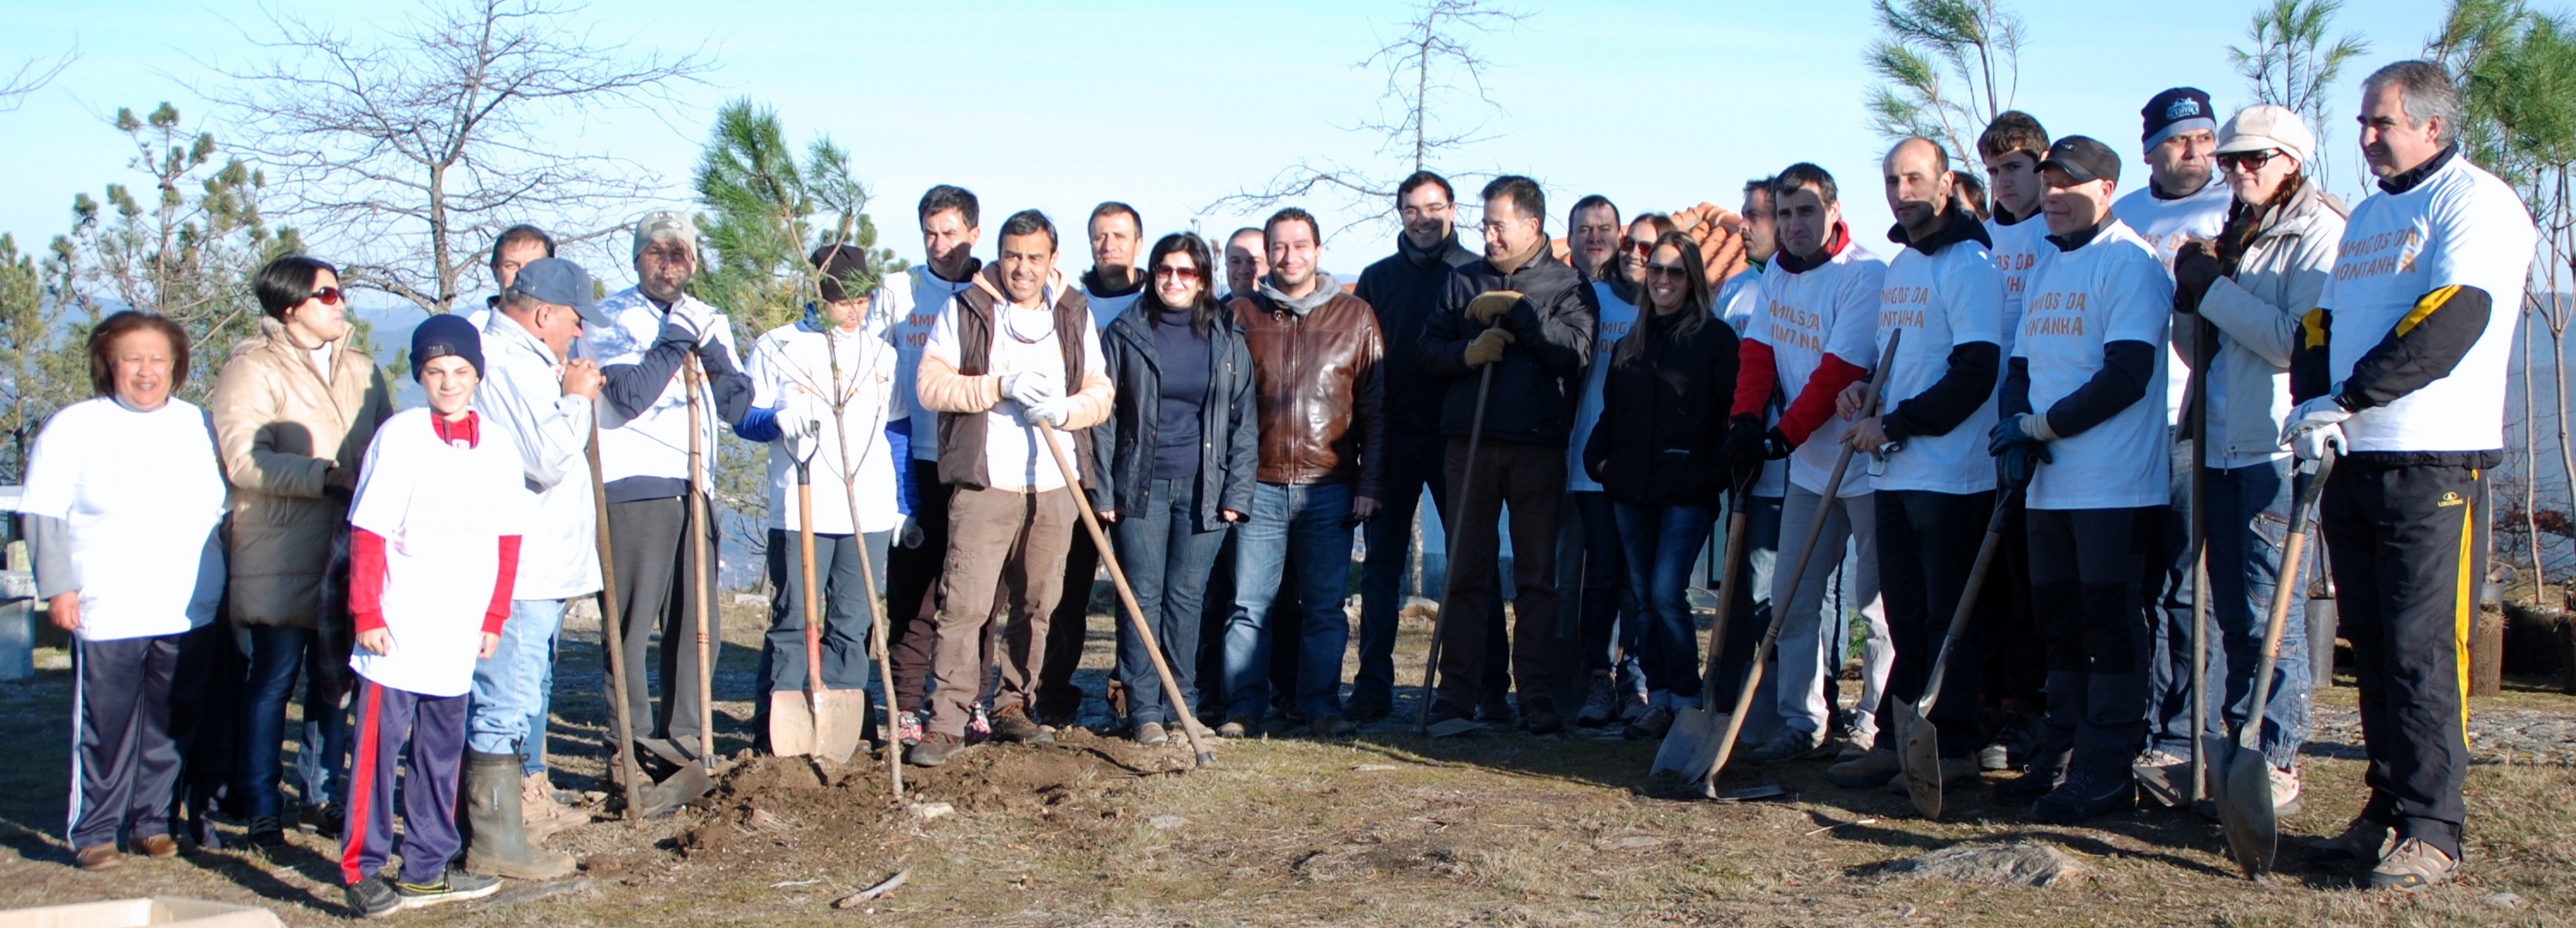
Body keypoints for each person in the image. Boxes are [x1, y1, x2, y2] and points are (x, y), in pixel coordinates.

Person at [2287, 61, 2533, 890]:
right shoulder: (2368, 218)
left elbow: (2455, 317)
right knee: (2374, 644)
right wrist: (2312, 398)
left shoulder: (2474, 202)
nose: (2364, 137)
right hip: (2355, 454)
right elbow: (2324, 318)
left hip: (2434, 457)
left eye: (2380, 122)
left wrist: (2349, 396)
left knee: (2425, 650)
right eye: (2363, 121)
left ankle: (2434, 824)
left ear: (2431, 125)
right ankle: (2386, 805)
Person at [2139, 104, 2347, 816]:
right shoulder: (2236, 233)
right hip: (2218, 441)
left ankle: (2277, 755)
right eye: (2231, 160)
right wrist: (2189, 298)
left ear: (2292, 158)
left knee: (2271, 613)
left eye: (2255, 158)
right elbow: (2200, 351)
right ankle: (2240, 744)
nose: (2239, 171)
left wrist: (2215, 289)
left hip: (2279, 447)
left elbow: (2299, 343)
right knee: (2230, 612)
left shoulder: (2319, 231)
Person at [1987, 135, 2174, 824]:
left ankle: (2106, 763)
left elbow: (2125, 376)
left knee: (2109, 627)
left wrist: (2039, 429)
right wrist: (2014, 428)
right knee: (2057, 624)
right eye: (2049, 184)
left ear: (2105, 189)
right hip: (2048, 486)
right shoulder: (2045, 264)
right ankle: (2060, 751)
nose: (2054, 196)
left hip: (2115, 489)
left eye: (2069, 185)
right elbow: (2019, 367)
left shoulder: (2131, 264)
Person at [1824, 138, 2005, 794]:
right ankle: (1903, 740)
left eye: (1915, 178)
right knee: (1902, 614)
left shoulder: (1969, 264)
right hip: (1896, 470)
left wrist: (1895, 422)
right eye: (1893, 180)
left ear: (1946, 182)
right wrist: (1864, 391)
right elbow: (1897, 360)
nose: (1903, 191)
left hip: (1951, 474)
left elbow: (1976, 372)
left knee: (1946, 619)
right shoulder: (1903, 265)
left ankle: (1951, 746)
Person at [907, 209, 1114, 766]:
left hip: (1053, 484)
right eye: (1013, 255)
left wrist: (1064, 409)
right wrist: (999, 386)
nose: (1022, 267)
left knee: (1037, 604)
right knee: (966, 604)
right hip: (986, 481)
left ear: (1052, 261)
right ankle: (947, 719)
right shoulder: (969, 309)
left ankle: (1014, 707)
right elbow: (931, 385)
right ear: (999, 253)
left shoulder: (1072, 313)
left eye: (1034, 257)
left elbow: (1101, 394)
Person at [337, 316, 526, 917]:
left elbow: (507, 537)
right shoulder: (401, 435)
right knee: (378, 750)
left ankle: (425, 865)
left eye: (461, 372)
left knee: (440, 754)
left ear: (477, 376)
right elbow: (368, 532)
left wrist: (494, 616)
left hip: (457, 626)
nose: (449, 383)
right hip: (397, 621)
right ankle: (361, 867)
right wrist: (366, 610)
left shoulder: (496, 445)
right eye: (437, 371)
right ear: (421, 375)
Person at [31, 312, 226, 870]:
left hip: (189, 604)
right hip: (106, 603)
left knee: (172, 720)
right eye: (132, 358)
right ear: (109, 364)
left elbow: (228, 509)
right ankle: (93, 827)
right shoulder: (75, 427)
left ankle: (152, 820)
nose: (147, 370)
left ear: (176, 365)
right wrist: (59, 587)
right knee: (106, 724)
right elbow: (44, 512)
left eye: (158, 358)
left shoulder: (200, 424)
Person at [213, 255, 395, 850]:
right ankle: (261, 801)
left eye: (341, 292)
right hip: (280, 548)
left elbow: (392, 449)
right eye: (326, 293)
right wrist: (326, 476)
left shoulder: (364, 370)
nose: (340, 302)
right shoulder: (252, 368)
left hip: (348, 550)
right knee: (273, 680)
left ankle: (321, 793)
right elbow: (243, 459)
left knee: (334, 682)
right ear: (290, 306)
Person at [1723, 163, 1889, 765]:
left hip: (1867, 463)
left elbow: (1839, 371)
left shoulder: (1864, 274)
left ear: (1835, 211)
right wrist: (1745, 421)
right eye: (1785, 213)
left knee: (1876, 606)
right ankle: (1803, 718)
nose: (1794, 225)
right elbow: (1759, 352)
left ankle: (1872, 720)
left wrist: (1779, 438)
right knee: (1792, 597)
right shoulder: (1779, 276)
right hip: (1809, 469)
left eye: (1806, 212)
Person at [1418, 175, 1596, 734]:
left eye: (1499, 224)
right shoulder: (1462, 280)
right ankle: (1459, 691)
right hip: (1468, 443)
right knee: (1464, 571)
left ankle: (1537, 693)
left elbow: (1573, 355)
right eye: (1485, 223)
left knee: (1537, 577)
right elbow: (1427, 351)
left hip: (1537, 447)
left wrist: (1521, 315)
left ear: (1532, 226)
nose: (1488, 234)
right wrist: (1467, 354)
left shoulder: (1568, 286)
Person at [584, 212, 753, 772]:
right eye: (655, 252)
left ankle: (684, 741)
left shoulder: (709, 318)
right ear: (637, 259)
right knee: (630, 629)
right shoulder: (608, 317)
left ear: (694, 261)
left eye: (678, 252)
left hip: (694, 487)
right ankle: (627, 753)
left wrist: (712, 348)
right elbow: (629, 394)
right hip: (634, 485)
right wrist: (676, 337)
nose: (667, 262)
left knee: (697, 625)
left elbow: (735, 404)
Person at [463, 258, 610, 876]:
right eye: (574, 321)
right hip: (518, 564)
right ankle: (494, 841)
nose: (578, 335)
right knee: (506, 699)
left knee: (522, 694)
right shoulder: (506, 364)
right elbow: (547, 459)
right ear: (543, 313)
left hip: (542, 563)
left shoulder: (530, 361)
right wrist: (576, 400)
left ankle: (514, 820)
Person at [1216, 208, 1384, 738]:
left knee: (1325, 608)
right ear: (1269, 255)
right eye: (1280, 247)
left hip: (1328, 488)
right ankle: (1244, 706)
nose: (1291, 256)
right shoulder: (1240, 313)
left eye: (1300, 245)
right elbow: (1219, 405)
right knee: (1248, 607)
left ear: (1318, 250)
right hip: (1257, 484)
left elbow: (1376, 409)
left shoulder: (1355, 316)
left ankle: (1320, 706)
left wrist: (1369, 483)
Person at [1092, 232, 1258, 744]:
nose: (1174, 280)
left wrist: (1238, 493)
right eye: (1165, 270)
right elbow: (1103, 418)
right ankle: (1143, 709)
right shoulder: (1127, 331)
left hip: (1203, 487)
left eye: (1186, 272)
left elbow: (1244, 420)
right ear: (1153, 272)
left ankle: (1181, 707)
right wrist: (1103, 492)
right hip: (1138, 486)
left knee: (1188, 600)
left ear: (1203, 279)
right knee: (1142, 598)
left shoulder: (1227, 336)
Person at [736, 245, 901, 746]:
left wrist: (903, 505)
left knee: (852, 622)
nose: (852, 312)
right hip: (800, 507)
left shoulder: (882, 354)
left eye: (861, 300)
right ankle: (779, 727)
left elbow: (896, 430)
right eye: (840, 301)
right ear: (818, 295)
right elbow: (745, 417)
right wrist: (773, 422)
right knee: (794, 619)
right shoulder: (777, 346)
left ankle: (841, 727)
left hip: (866, 509)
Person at [1582, 231, 1739, 739]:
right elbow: (1612, 410)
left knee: (1669, 593)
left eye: (1674, 271)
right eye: (1656, 271)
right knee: (1645, 598)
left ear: (1692, 278)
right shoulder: (1633, 338)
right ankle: (1662, 699)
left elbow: (1730, 416)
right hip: (1631, 489)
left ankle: (1689, 698)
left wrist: (1709, 475)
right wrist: (1598, 461)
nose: (1664, 280)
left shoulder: (1714, 339)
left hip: (1686, 491)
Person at [1352, 169, 1487, 723]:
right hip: (1391, 438)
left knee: (1470, 562)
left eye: (1434, 208)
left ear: (1452, 210)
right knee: (1380, 569)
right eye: (1411, 209)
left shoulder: (1475, 273)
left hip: (1458, 436)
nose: (1423, 219)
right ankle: (1372, 685)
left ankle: (1478, 684)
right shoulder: (1377, 278)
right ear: (1400, 215)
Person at [881, 185, 994, 747]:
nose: (940, 243)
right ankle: (904, 703)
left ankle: (970, 698)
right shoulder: (898, 292)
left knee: (976, 593)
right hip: (916, 461)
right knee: (915, 594)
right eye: (930, 231)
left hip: (976, 461)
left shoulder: (992, 288)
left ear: (974, 232)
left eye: (951, 232)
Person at [1033, 201, 1151, 727]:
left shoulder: (1158, 301)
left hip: (1140, 465)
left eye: (1119, 236)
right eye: (1100, 236)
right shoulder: (1065, 303)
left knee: (1137, 587)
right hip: (1074, 464)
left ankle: (1128, 690)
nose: (1110, 245)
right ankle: (1050, 689)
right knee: (1064, 588)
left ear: (1137, 243)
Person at [1567, 211, 1675, 727]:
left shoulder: (1668, 309)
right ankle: (1597, 678)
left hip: (1646, 470)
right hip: (1593, 463)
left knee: (1640, 581)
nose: (1635, 252)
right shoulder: (1595, 300)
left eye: (1648, 246)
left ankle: (1638, 681)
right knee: (1602, 575)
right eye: (1630, 242)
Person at [1977, 111, 2055, 771]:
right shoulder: (1977, 242)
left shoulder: (2055, 239)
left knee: (2032, 583)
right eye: (1994, 170)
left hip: (2037, 426)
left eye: (2015, 168)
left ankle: (2030, 710)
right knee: (1990, 582)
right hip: (1973, 431)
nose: (2003, 181)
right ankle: (1990, 702)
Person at [1714, 178, 1789, 746]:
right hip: (1743, 463)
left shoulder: (1802, 287)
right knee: (1741, 585)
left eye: (1756, 215)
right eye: (1744, 214)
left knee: (1783, 590)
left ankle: (1783, 700)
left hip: (1794, 461)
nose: (1745, 225)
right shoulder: (1735, 292)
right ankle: (1729, 692)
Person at [463, 224, 555, 331]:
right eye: (511, 266)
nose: (522, 275)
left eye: (533, 266)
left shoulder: (571, 331)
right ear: (495, 271)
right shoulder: (475, 329)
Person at [1568, 194, 1622, 281]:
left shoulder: (1643, 291)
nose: (1595, 238)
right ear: (1569, 239)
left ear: (1620, 238)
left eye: (1604, 229)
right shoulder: (1551, 291)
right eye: (1584, 229)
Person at [1222, 227, 1268, 303]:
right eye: (1235, 261)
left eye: (1253, 261)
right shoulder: (1210, 313)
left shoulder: (1289, 312)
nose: (1243, 270)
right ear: (1226, 265)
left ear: (1271, 265)